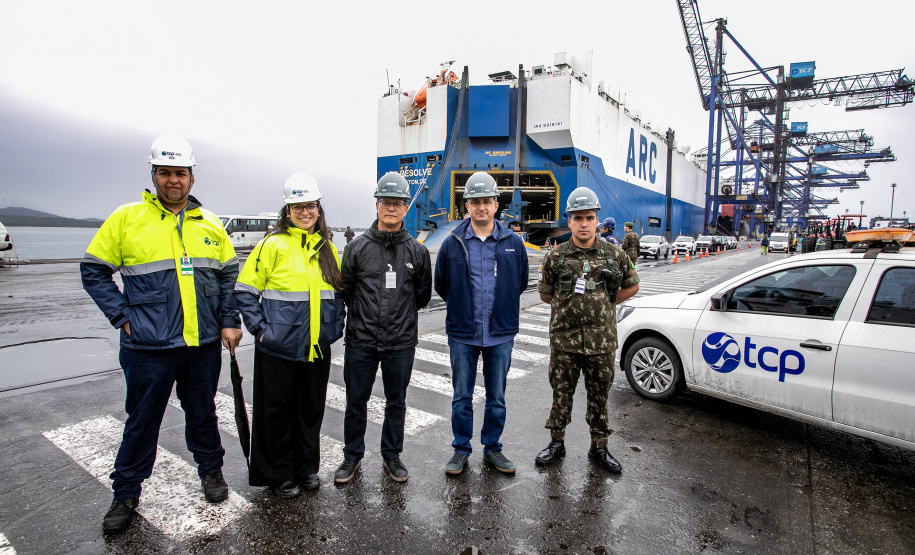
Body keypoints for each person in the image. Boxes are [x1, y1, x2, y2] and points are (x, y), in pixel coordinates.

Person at [81, 134, 242, 535]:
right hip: (147, 346)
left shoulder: (210, 225)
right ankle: (126, 492)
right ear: (154, 175)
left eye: (181, 173)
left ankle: (211, 472)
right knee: (142, 418)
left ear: (192, 178)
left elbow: (228, 278)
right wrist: (121, 315)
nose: (174, 180)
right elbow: (93, 270)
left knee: (203, 411)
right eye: (166, 173)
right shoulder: (127, 219)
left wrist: (229, 321)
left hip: (201, 343)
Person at [234, 172, 345, 499]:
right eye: (298, 207)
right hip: (278, 349)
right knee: (276, 413)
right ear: (288, 210)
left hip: (316, 348)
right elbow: (243, 292)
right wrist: (261, 331)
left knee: (310, 410)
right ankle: (279, 473)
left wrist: (334, 328)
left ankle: (305, 468)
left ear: (318, 208)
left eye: (310, 206)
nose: (305, 212)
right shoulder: (272, 245)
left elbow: (338, 296)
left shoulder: (328, 249)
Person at [334, 172, 433, 484]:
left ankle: (392, 455)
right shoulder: (356, 248)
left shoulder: (418, 252)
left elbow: (422, 295)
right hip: (361, 341)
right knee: (355, 401)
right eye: (386, 202)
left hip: (401, 343)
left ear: (406, 208)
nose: (392, 208)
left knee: (397, 402)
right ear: (376, 205)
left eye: (398, 203)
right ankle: (352, 456)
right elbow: (344, 291)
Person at [535, 187, 640, 473]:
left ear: (597, 221)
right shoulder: (555, 258)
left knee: (599, 397)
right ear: (568, 221)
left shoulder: (615, 255)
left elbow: (633, 284)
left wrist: (608, 300)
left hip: (601, 342)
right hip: (565, 341)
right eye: (577, 218)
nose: (583, 223)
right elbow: (545, 294)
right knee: (561, 394)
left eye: (589, 217)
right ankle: (556, 442)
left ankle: (600, 447)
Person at [434, 172, 529, 476]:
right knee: (462, 396)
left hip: (500, 332)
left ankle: (492, 448)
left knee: (496, 397)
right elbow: (442, 284)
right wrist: (462, 307)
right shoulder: (453, 243)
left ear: (496, 205)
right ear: (467, 206)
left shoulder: (513, 243)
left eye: (487, 201)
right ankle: (461, 449)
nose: (482, 207)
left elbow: (521, 282)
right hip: (464, 332)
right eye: (476, 202)